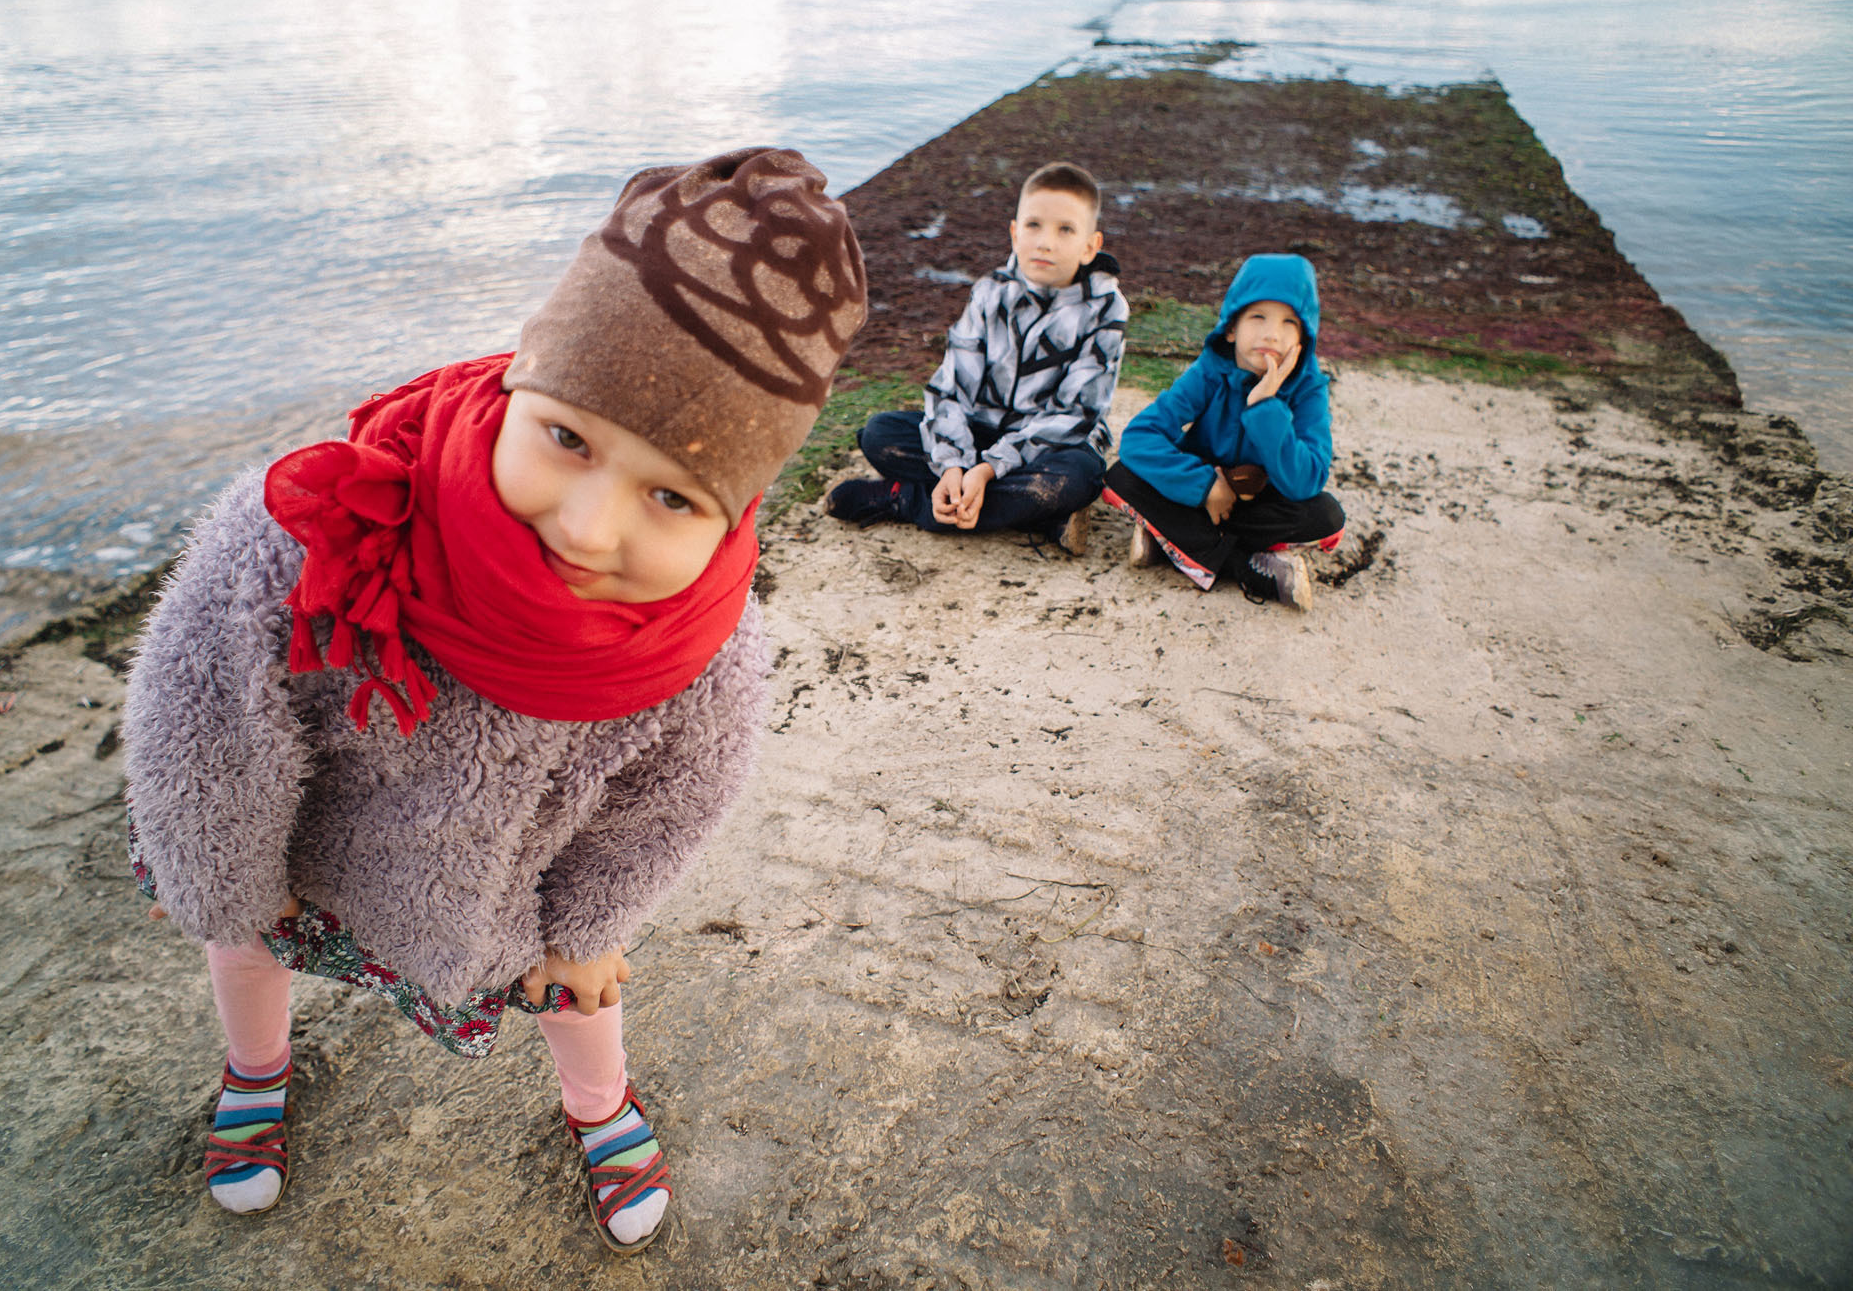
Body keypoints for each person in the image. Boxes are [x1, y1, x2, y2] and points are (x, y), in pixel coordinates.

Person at [121, 148, 866, 1254]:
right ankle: (257, 1066)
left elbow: (675, 797)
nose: (586, 526)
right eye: (567, 438)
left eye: (669, 495)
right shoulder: (328, 519)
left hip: (509, 887)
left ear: (735, 511)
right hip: (296, 857)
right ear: (523, 370)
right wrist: (215, 877)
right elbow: (202, 718)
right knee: (243, 945)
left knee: (582, 988)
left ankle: (598, 1107)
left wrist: (589, 927)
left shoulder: (705, 642)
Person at [824, 161, 1125, 552]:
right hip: (980, 432)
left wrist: (985, 470)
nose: (1045, 242)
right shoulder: (990, 292)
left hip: (1053, 446)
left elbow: (1074, 415)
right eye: (1033, 225)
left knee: (1078, 479)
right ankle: (1035, 512)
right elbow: (950, 389)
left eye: (1065, 229)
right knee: (880, 434)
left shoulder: (1107, 309)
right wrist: (953, 464)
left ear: (1090, 246)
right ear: (1015, 233)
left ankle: (905, 499)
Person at [1103, 253, 1343, 609]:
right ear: (1231, 328)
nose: (1271, 334)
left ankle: (1171, 540)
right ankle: (1245, 567)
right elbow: (1139, 438)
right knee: (1122, 476)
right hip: (1195, 494)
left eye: (1289, 322)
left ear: (1304, 338)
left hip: (1258, 504)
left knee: (1325, 516)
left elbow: (1306, 480)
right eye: (1257, 317)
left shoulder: (1308, 390)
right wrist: (1204, 486)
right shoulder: (1210, 372)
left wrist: (1264, 407)